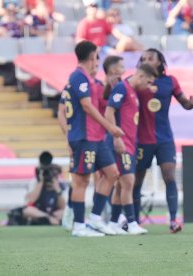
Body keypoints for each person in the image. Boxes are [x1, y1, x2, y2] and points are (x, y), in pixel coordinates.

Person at [61, 41, 124, 237]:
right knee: (81, 181)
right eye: (97, 55)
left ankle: (95, 218)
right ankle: (79, 226)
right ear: (92, 56)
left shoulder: (87, 79)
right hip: (84, 136)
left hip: (95, 138)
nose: (98, 60)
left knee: (112, 173)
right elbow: (87, 107)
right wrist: (111, 127)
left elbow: (99, 100)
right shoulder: (78, 76)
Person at [133, 48, 193, 233]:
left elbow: (185, 103)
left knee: (169, 177)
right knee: (136, 181)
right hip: (141, 140)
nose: (146, 60)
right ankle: (133, 221)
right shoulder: (136, 82)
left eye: (151, 58)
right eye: (143, 58)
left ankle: (173, 221)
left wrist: (192, 102)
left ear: (160, 62)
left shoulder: (170, 81)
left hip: (165, 139)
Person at [105, 64, 158, 235]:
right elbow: (109, 112)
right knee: (128, 181)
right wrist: (116, 136)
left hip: (130, 144)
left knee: (122, 185)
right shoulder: (122, 88)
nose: (148, 86)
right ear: (141, 76)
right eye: (148, 82)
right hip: (121, 144)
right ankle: (132, 222)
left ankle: (113, 222)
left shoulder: (133, 92)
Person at [23, 151, 65, 225]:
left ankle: (48, 219)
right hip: (39, 212)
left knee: (68, 211)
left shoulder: (59, 184)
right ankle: (48, 219)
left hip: (54, 212)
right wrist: (41, 182)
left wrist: (57, 189)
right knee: (28, 211)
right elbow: (30, 201)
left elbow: (63, 206)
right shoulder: (35, 181)